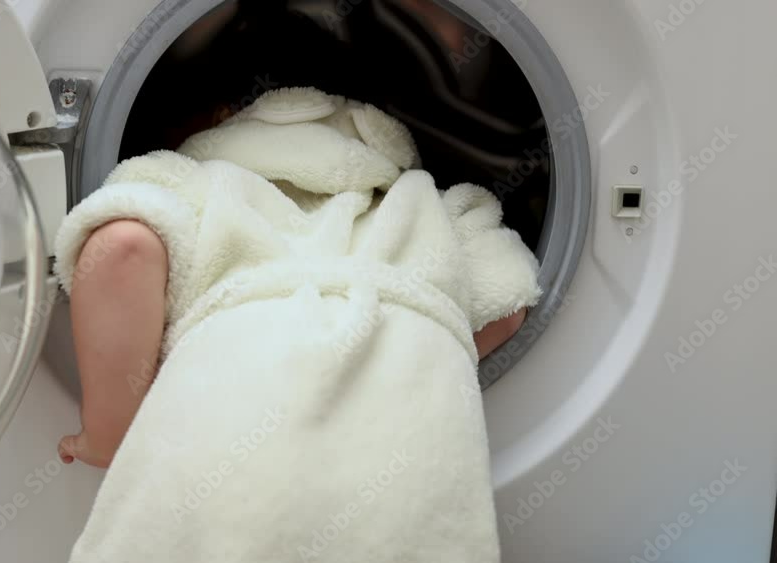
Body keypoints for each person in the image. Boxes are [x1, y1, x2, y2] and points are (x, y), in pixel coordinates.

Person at [55, 88, 540, 563]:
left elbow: (121, 250)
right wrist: (429, 348)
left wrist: (113, 428)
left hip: (227, 452)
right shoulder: (432, 205)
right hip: (406, 474)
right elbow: (509, 301)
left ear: (224, 128)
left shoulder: (193, 183)